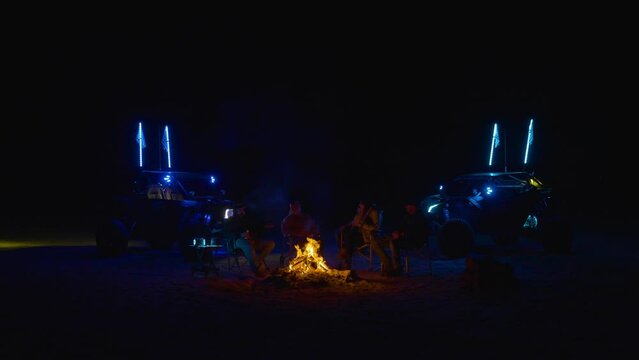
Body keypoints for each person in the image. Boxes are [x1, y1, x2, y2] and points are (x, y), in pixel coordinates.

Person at [336, 200, 397, 276]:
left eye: (362, 205)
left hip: (368, 237)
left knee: (349, 238)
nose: (360, 206)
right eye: (360, 205)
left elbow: (376, 228)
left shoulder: (374, 212)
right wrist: (346, 225)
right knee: (342, 234)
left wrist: (363, 225)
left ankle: (345, 258)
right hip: (360, 234)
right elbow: (354, 222)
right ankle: (344, 255)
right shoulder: (361, 212)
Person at [223, 204, 275, 278]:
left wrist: (264, 226)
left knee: (271, 244)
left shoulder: (245, 218)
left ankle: (258, 261)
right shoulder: (229, 219)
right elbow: (226, 233)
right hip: (236, 241)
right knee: (248, 247)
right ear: (236, 210)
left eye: (243, 209)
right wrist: (240, 235)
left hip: (250, 240)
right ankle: (257, 270)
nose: (242, 211)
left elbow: (253, 226)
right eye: (241, 209)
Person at [388, 201, 432, 271]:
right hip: (407, 238)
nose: (405, 207)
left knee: (393, 242)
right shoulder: (407, 216)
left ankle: (397, 267)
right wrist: (396, 232)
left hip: (416, 241)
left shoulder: (420, 217)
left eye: (407, 205)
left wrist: (401, 235)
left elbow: (418, 232)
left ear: (413, 206)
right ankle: (389, 265)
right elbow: (402, 226)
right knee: (389, 239)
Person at [280, 200, 321, 264]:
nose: (295, 209)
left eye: (297, 208)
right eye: (293, 208)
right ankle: (304, 262)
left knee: (319, 241)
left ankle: (318, 261)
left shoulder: (305, 217)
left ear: (300, 208)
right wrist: (296, 233)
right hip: (296, 238)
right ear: (291, 209)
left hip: (308, 236)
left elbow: (314, 226)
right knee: (303, 243)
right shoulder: (288, 219)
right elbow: (285, 231)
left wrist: (313, 233)